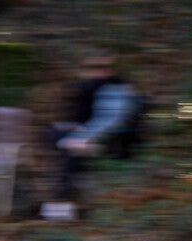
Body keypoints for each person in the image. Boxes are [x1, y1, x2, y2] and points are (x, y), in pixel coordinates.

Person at [41, 53, 143, 222]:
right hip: (100, 137)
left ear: (111, 69)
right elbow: (92, 118)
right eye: (90, 67)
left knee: (69, 150)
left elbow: (112, 121)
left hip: (117, 142)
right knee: (59, 137)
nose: (95, 71)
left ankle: (63, 203)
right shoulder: (92, 87)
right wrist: (77, 129)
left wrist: (85, 137)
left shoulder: (116, 88)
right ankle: (64, 201)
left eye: (100, 67)